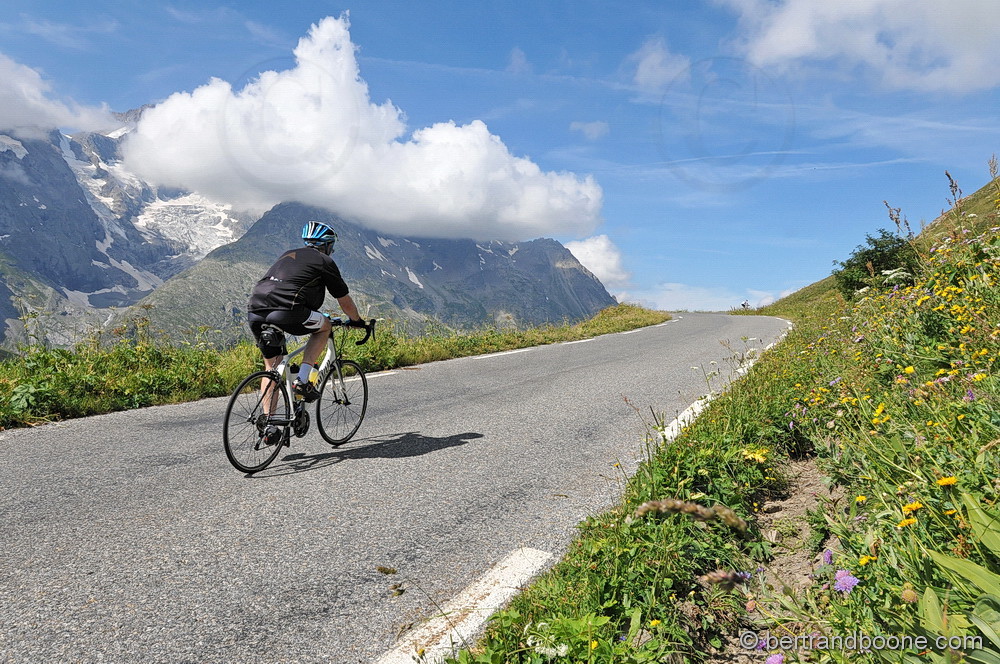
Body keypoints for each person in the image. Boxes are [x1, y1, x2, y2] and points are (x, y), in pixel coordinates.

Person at [247, 221, 366, 415]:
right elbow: (343, 300)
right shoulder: (324, 260)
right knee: (325, 326)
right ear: (327, 245)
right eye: (332, 247)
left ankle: (269, 423)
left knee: (272, 367)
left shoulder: (286, 255)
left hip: (256, 309)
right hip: (288, 310)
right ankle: (303, 381)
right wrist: (356, 321)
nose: (332, 251)